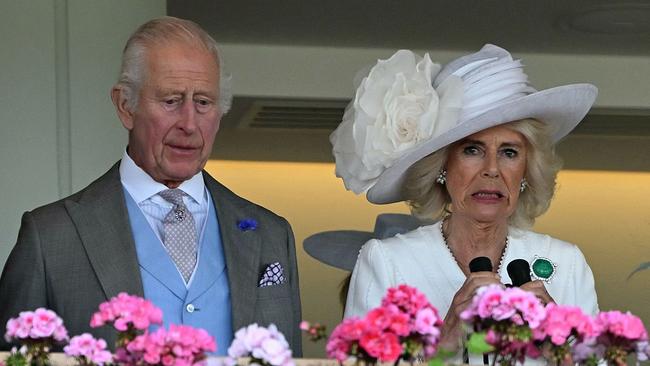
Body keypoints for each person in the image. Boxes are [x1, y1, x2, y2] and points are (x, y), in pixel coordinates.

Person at [0, 17, 301, 355]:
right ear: (125, 106)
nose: (189, 123)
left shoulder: (272, 234)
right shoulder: (51, 237)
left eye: (203, 102)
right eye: (171, 100)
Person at [331, 44, 598, 363]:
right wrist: (447, 337)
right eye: (472, 150)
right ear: (442, 166)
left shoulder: (565, 264)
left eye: (509, 152)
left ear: (526, 171)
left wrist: (560, 344)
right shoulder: (388, 262)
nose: (492, 168)